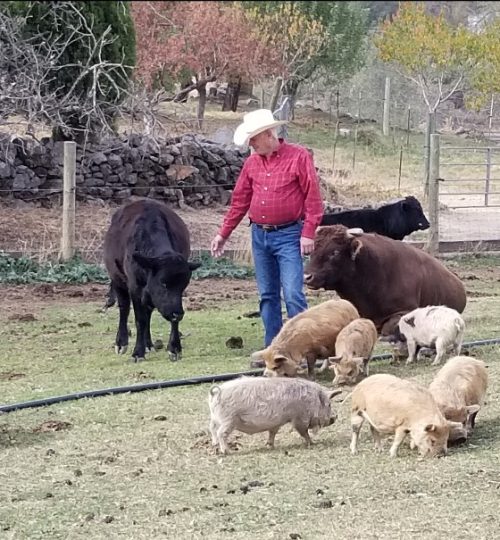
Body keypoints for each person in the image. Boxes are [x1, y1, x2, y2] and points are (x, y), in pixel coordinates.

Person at [210, 109, 324, 349]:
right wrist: (223, 234)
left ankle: (302, 346)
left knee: (293, 293)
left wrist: (308, 233)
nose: (251, 144)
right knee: (267, 295)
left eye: (254, 139)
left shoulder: (298, 157)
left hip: (289, 234)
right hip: (260, 235)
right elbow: (240, 201)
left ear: (268, 134)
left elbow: (312, 197)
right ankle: (273, 348)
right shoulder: (252, 163)